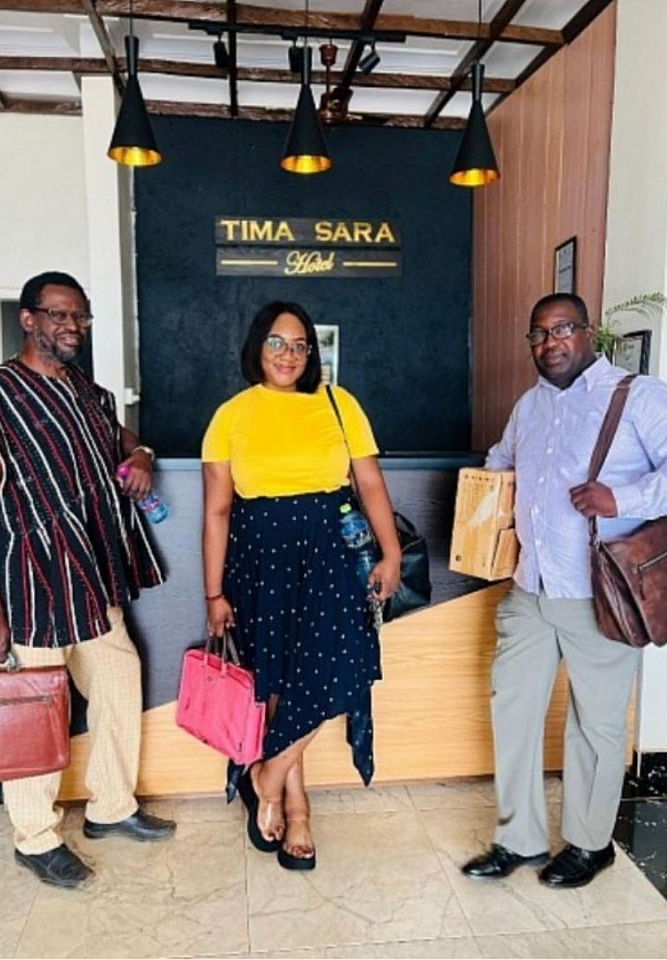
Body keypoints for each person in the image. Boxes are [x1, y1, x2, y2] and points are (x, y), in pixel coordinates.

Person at [0, 271, 176, 890]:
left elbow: (123, 438)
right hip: (30, 584)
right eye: (58, 314)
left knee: (118, 679)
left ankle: (111, 806)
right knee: (37, 709)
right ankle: (35, 838)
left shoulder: (86, 391)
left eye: (80, 316)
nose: (72, 326)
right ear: (28, 319)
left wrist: (141, 455)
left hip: (90, 574)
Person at [462, 292, 667, 889]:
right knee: (513, 711)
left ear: (588, 331)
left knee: (596, 724)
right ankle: (518, 839)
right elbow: (500, 462)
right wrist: (488, 493)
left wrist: (620, 499)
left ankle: (589, 844)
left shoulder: (637, 397)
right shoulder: (529, 406)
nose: (549, 343)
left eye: (562, 329)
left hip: (601, 592)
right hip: (530, 588)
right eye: (539, 334)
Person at [201, 301, 400, 871]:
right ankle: (296, 806)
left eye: (299, 345)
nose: (288, 355)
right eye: (276, 342)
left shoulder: (339, 404)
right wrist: (214, 593)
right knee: (277, 682)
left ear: (312, 353)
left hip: (330, 557)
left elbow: (370, 484)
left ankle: (267, 777)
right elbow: (217, 511)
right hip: (259, 560)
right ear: (257, 347)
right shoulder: (231, 416)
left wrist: (390, 552)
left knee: (341, 667)